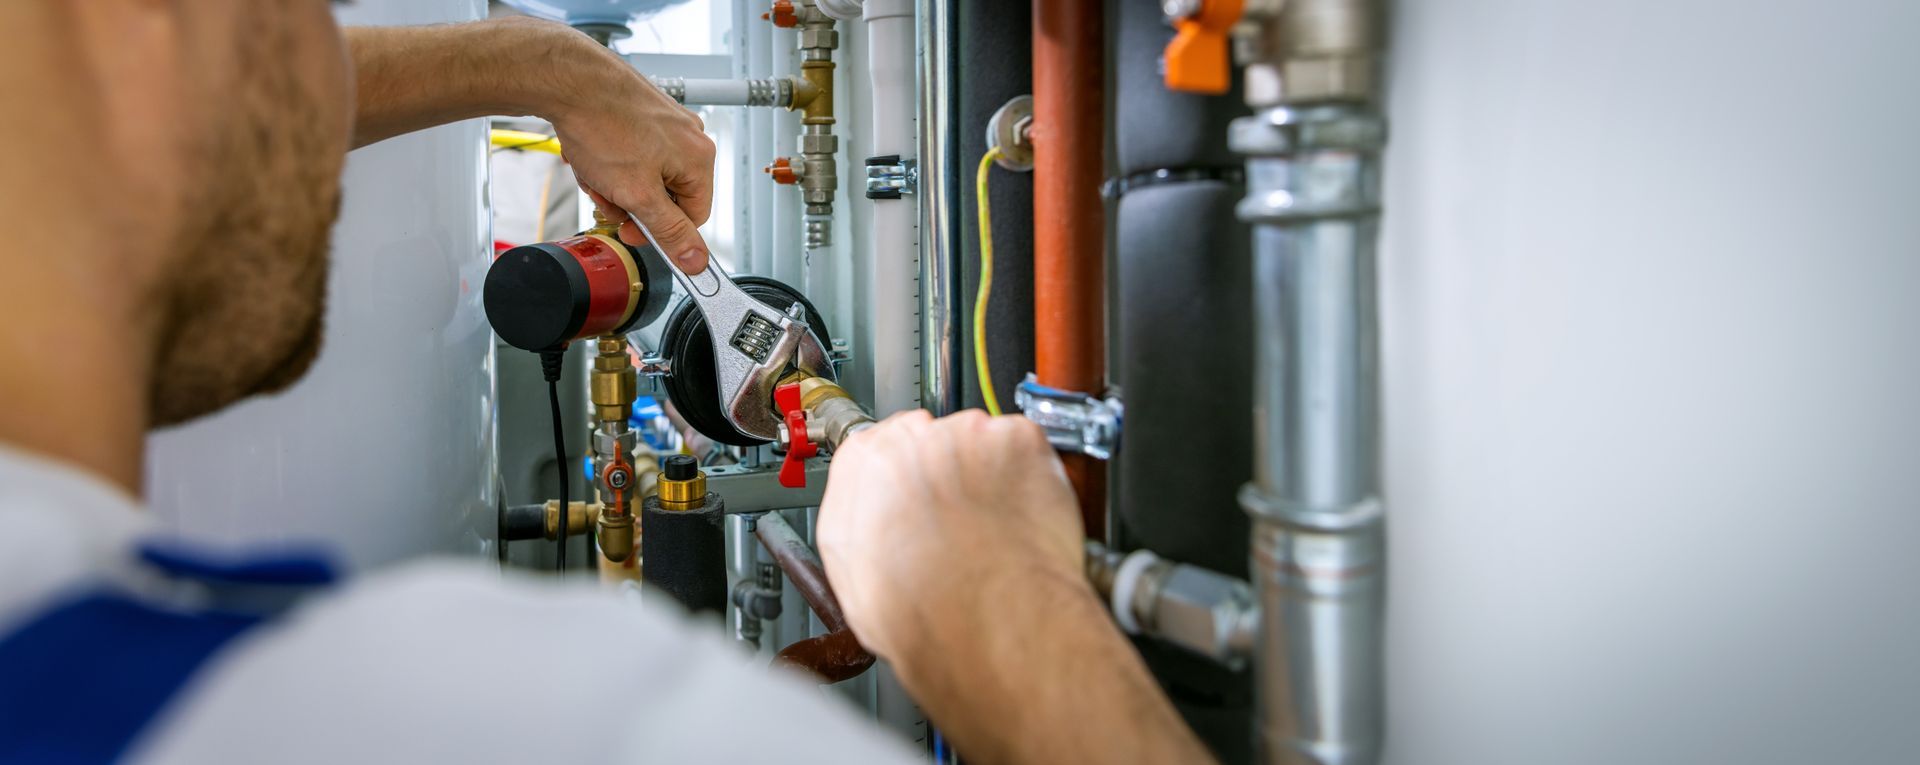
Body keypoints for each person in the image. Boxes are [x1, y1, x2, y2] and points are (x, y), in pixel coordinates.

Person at [0, 3, 1213, 763]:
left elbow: (228, 101)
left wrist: (538, 63)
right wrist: (998, 614)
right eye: (290, 15)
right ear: (141, 33)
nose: (318, 57)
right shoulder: (469, 718)